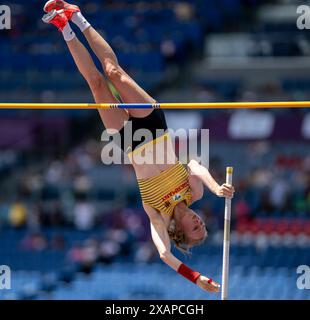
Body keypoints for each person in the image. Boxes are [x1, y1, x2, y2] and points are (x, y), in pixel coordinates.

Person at [42, 0, 235, 293]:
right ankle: (77, 16)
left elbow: (163, 254)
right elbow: (195, 164)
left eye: (196, 228)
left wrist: (195, 278)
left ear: (181, 233)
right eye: (203, 224)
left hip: (129, 143)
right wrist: (215, 186)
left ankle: (64, 27)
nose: (199, 221)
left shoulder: (158, 217)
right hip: (155, 128)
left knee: (96, 84)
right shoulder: (194, 193)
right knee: (113, 73)